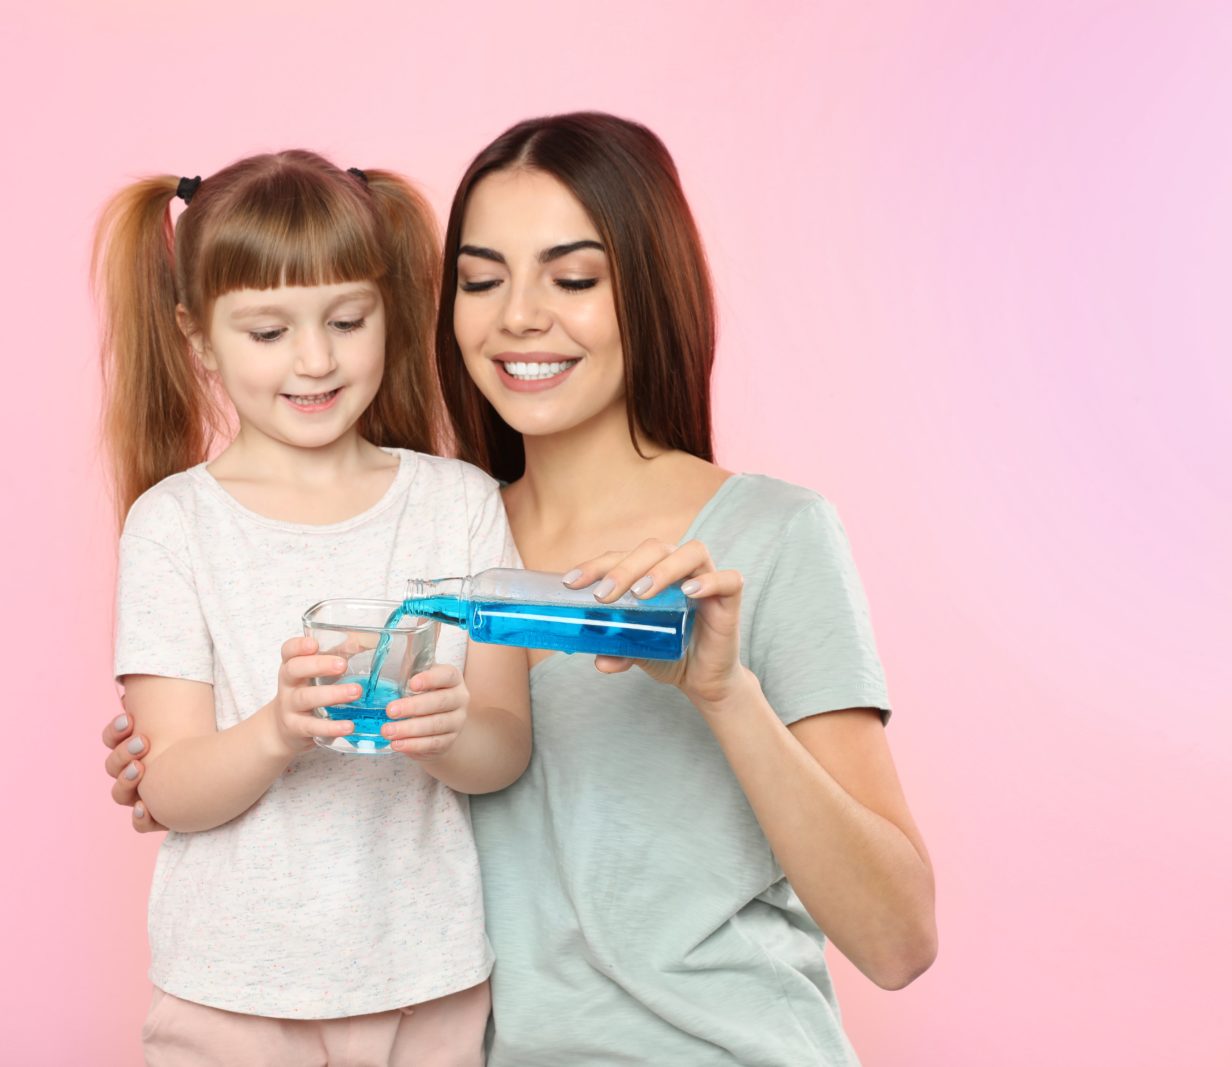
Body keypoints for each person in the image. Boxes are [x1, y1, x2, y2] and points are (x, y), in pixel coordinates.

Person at [105, 114, 937, 1065]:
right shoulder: (432, 533)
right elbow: (218, 747)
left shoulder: (772, 537)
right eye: (482, 280)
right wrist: (205, 749)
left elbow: (899, 939)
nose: (519, 316)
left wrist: (724, 693)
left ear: (651, 291)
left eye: (574, 278)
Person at [94, 149, 530, 1067]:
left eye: (347, 318)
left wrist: (447, 731)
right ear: (198, 335)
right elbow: (168, 785)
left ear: (388, 311)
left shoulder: (457, 503)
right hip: (231, 992)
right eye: (268, 332)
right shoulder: (172, 525)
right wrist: (277, 729)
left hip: (431, 981)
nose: (317, 359)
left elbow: (504, 751)